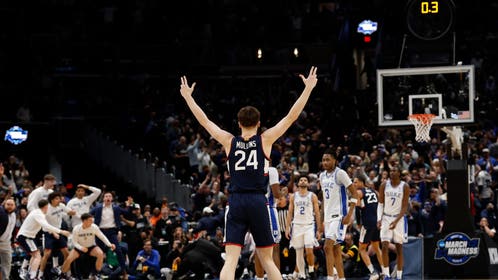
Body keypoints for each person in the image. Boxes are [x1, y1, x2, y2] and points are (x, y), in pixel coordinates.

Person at [179, 66, 318, 280]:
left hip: (235, 201)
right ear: (259, 123)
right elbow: (291, 117)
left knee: (231, 259)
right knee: (267, 259)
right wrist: (308, 88)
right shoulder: (265, 140)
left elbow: (204, 121)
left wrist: (188, 97)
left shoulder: (229, 141)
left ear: (238, 123)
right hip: (257, 201)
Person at [318, 149, 357, 280]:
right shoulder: (322, 176)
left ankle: (330, 277)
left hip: (339, 216)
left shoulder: (340, 174)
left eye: (328, 159)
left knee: (327, 247)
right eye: (323, 160)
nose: (325, 162)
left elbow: (355, 193)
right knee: (335, 251)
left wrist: (350, 214)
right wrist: (321, 221)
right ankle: (341, 278)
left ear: (335, 160)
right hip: (328, 218)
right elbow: (324, 199)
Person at [16, 199, 71, 280]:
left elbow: (45, 226)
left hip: (27, 237)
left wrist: (53, 233)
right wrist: (61, 231)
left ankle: (29, 273)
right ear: (46, 207)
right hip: (25, 236)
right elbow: (46, 225)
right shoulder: (39, 214)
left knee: (35, 255)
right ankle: (31, 275)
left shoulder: (37, 212)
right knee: (37, 256)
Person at [285, 174, 321, 280]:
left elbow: (317, 213)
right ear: (298, 183)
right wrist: (287, 227)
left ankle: (311, 270)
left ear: (308, 183)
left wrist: (319, 229)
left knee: (309, 250)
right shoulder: (293, 196)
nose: (303, 181)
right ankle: (302, 275)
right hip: (296, 226)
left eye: (305, 180)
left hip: (309, 225)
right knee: (299, 253)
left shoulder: (312, 196)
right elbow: (290, 212)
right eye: (301, 180)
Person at [377, 166, 409, 280]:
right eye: (391, 170)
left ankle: (399, 277)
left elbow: (405, 207)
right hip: (386, 217)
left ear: (399, 173)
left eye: (395, 170)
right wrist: (379, 219)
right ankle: (386, 275)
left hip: (399, 219)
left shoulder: (404, 186)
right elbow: (380, 204)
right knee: (384, 246)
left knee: (399, 248)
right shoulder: (384, 185)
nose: (392, 172)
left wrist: (396, 221)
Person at [60, 213, 116, 279]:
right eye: (90, 220)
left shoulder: (94, 227)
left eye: (92, 220)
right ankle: (62, 274)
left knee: (100, 254)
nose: (92, 221)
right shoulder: (76, 228)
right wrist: (81, 248)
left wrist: (109, 244)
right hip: (79, 247)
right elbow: (74, 242)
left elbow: (102, 236)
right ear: (84, 221)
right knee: (69, 259)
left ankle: (96, 274)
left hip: (91, 247)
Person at [90, 191, 129, 278]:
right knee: (98, 252)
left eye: (109, 196)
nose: (108, 198)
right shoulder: (98, 208)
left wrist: (129, 204)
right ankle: (94, 273)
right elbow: (89, 214)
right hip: (100, 232)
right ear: (103, 199)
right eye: (106, 196)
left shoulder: (116, 208)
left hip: (112, 232)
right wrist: (92, 222)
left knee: (118, 251)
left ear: (112, 199)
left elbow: (127, 212)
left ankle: (124, 272)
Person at [39, 192, 76, 278]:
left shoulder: (61, 205)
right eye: (57, 198)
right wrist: (53, 232)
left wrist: (74, 212)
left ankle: (68, 274)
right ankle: (39, 275)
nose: (60, 200)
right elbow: (44, 224)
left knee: (67, 253)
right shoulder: (47, 209)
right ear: (52, 200)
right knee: (47, 254)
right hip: (48, 232)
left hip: (59, 232)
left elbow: (70, 212)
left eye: (60, 198)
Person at [355, 174, 383, 280]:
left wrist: (358, 223)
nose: (354, 184)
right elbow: (381, 204)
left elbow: (357, 209)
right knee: (376, 247)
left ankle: (373, 272)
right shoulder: (374, 191)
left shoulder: (359, 192)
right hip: (376, 222)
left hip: (367, 223)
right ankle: (385, 272)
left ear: (362, 182)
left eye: (356, 182)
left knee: (361, 249)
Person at [0, 199, 16, 279]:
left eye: (11, 205)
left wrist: (12, 242)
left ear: (15, 206)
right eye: (8, 204)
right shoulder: (1, 212)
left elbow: (12, 230)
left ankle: (5, 278)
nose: (10, 206)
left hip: (6, 243)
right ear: (4, 205)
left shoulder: (14, 215)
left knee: (7, 263)